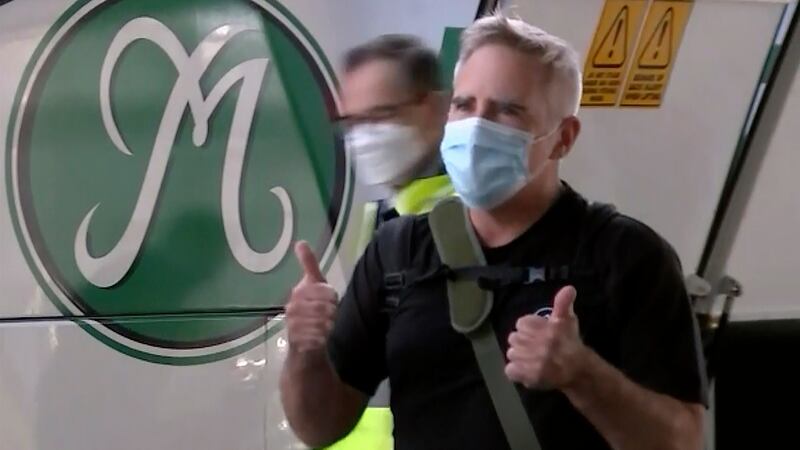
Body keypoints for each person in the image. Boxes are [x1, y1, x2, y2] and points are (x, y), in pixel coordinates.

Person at [280, 12, 708, 450]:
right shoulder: (398, 252)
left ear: (563, 138)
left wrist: (583, 375)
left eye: (508, 110)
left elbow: (684, 440)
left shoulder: (626, 256)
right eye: (465, 106)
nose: (476, 127)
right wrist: (304, 350)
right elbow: (319, 426)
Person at [325, 35, 454, 449]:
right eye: (353, 122)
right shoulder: (388, 216)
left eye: (381, 115)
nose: (364, 137)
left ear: (433, 109)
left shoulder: (465, 221)